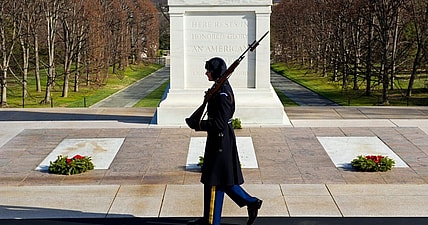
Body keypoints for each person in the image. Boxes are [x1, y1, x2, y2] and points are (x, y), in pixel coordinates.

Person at [186, 57, 262, 225]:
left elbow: (219, 123)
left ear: (216, 72)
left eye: (208, 70)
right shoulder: (219, 89)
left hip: (220, 141)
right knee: (219, 179)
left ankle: (212, 221)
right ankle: (249, 203)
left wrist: (198, 124)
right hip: (219, 139)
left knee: (215, 180)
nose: (206, 73)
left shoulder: (222, 94)